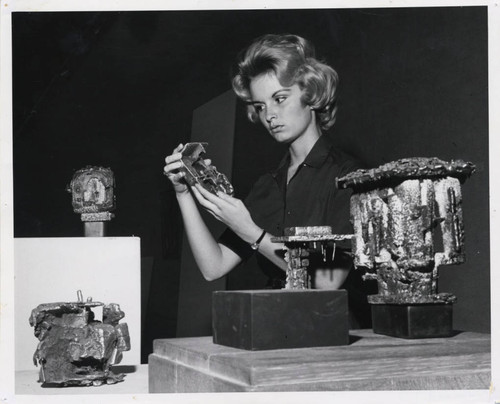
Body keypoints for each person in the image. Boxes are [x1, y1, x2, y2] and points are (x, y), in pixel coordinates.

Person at [164, 33, 372, 328]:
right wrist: (183, 193)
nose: (269, 115)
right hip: (279, 331)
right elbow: (213, 267)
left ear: (310, 93)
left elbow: (327, 283)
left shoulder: (348, 176)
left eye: (280, 99)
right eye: (260, 106)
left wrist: (252, 233)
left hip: (334, 337)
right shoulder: (269, 185)